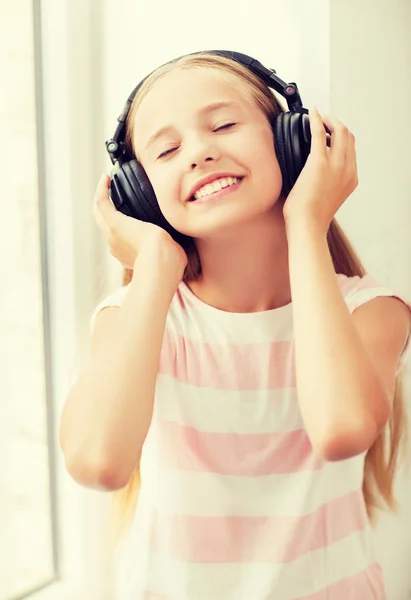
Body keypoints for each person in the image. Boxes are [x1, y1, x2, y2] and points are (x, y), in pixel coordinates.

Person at [60, 51, 411, 599]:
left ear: (292, 141)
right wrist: (154, 266)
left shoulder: (371, 310)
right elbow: (98, 462)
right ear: (141, 196)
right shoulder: (137, 318)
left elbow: (341, 429)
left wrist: (306, 225)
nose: (200, 152)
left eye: (223, 124)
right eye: (168, 150)